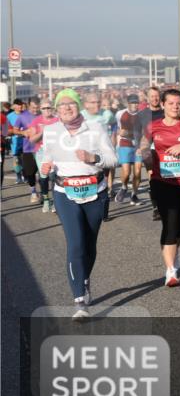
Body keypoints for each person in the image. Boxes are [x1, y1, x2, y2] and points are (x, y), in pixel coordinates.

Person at [39, 89, 117, 319]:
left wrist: (93, 158)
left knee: (89, 245)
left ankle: (84, 280)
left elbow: (113, 159)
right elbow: (47, 158)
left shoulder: (95, 127)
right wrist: (46, 167)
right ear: (56, 109)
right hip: (65, 193)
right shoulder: (51, 131)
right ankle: (79, 300)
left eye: (70, 103)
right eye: (61, 105)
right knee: (75, 243)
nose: (66, 107)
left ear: (78, 105)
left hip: (95, 191)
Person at [140, 89, 180, 287]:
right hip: (161, 182)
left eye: (178, 103)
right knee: (169, 223)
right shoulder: (154, 126)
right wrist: (148, 159)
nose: (175, 106)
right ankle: (171, 271)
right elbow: (144, 147)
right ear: (162, 105)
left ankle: (173, 255)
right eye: (171, 103)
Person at [83, 93, 116, 220]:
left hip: (103, 152)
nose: (97, 105)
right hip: (88, 153)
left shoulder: (107, 114)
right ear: (86, 105)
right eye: (93, 102)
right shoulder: (81, 116)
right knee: (91, 180)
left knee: (104, 182)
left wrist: (113, 140)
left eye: (98, 102)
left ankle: (104, 214)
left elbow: (114, 125)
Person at [26, 100, 60, 212]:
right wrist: (42, 132)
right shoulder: (36, 121)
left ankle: (56, 202)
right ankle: (46, 200)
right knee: (44, 177)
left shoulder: (58, 120)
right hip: (41, 151)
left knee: (54, 177)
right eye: (44, 108)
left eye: (49, 107)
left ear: (53, 108)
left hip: (56, 151)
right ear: (40, 109)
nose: (47, 110)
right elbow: (31, 140)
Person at [137, 87, 165, 221]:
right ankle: (156, 209)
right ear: (147, 98)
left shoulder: (166, 113)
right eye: (152, 96)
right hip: (148, 150)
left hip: (164, 149)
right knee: (153, 178)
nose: (155, 98)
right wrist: (138, 146)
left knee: (165, 179)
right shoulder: (142, 114)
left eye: (157, 96)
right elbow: (137, 132)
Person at [114, 95, 144, 204]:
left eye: (136, 103)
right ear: (128, 103)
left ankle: (134, 195)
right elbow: (117, 130)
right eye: (132, 103)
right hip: (125, 144)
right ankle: (124, 187)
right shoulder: (120, 114)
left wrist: (130, 133)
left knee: (138, 171)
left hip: (138, 145)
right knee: (126, 173)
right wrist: (119, 133)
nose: (135, 105)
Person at [12, 99, 40, 202]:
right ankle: (33, 191)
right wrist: (23, 133)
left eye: (37, 107)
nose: (35, 110)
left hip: (42, 149)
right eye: (33, 107)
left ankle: (45, 195)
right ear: (28, 106)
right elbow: (15, 130)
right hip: (28, 148)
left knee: (44, 174)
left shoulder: (43, 115)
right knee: (29, 173)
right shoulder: (22, 116)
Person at [7, 99, 24, 184]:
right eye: (18, 105)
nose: (20, 106)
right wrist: (12, 132)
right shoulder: (9, 116)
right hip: (15, 142)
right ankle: (18, 177)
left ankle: (26, 176)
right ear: (14, 106)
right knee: (16, 160)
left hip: (26, 142)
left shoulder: (26, 115)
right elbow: (5, 130)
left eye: (21, 104)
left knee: (25, 160)